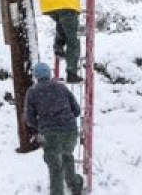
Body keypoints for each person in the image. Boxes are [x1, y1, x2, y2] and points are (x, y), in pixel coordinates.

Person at [25, 62, 84, 195]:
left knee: (55, 167)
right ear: (49, 74)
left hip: (50, 133)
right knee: (67, 155)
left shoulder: (33, 92)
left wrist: (40, 126)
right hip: (70, 130)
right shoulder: (61, 87)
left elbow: (29, 119)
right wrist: (65, 118)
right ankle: (74, 183)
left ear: (36, 76)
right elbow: (77, 110)